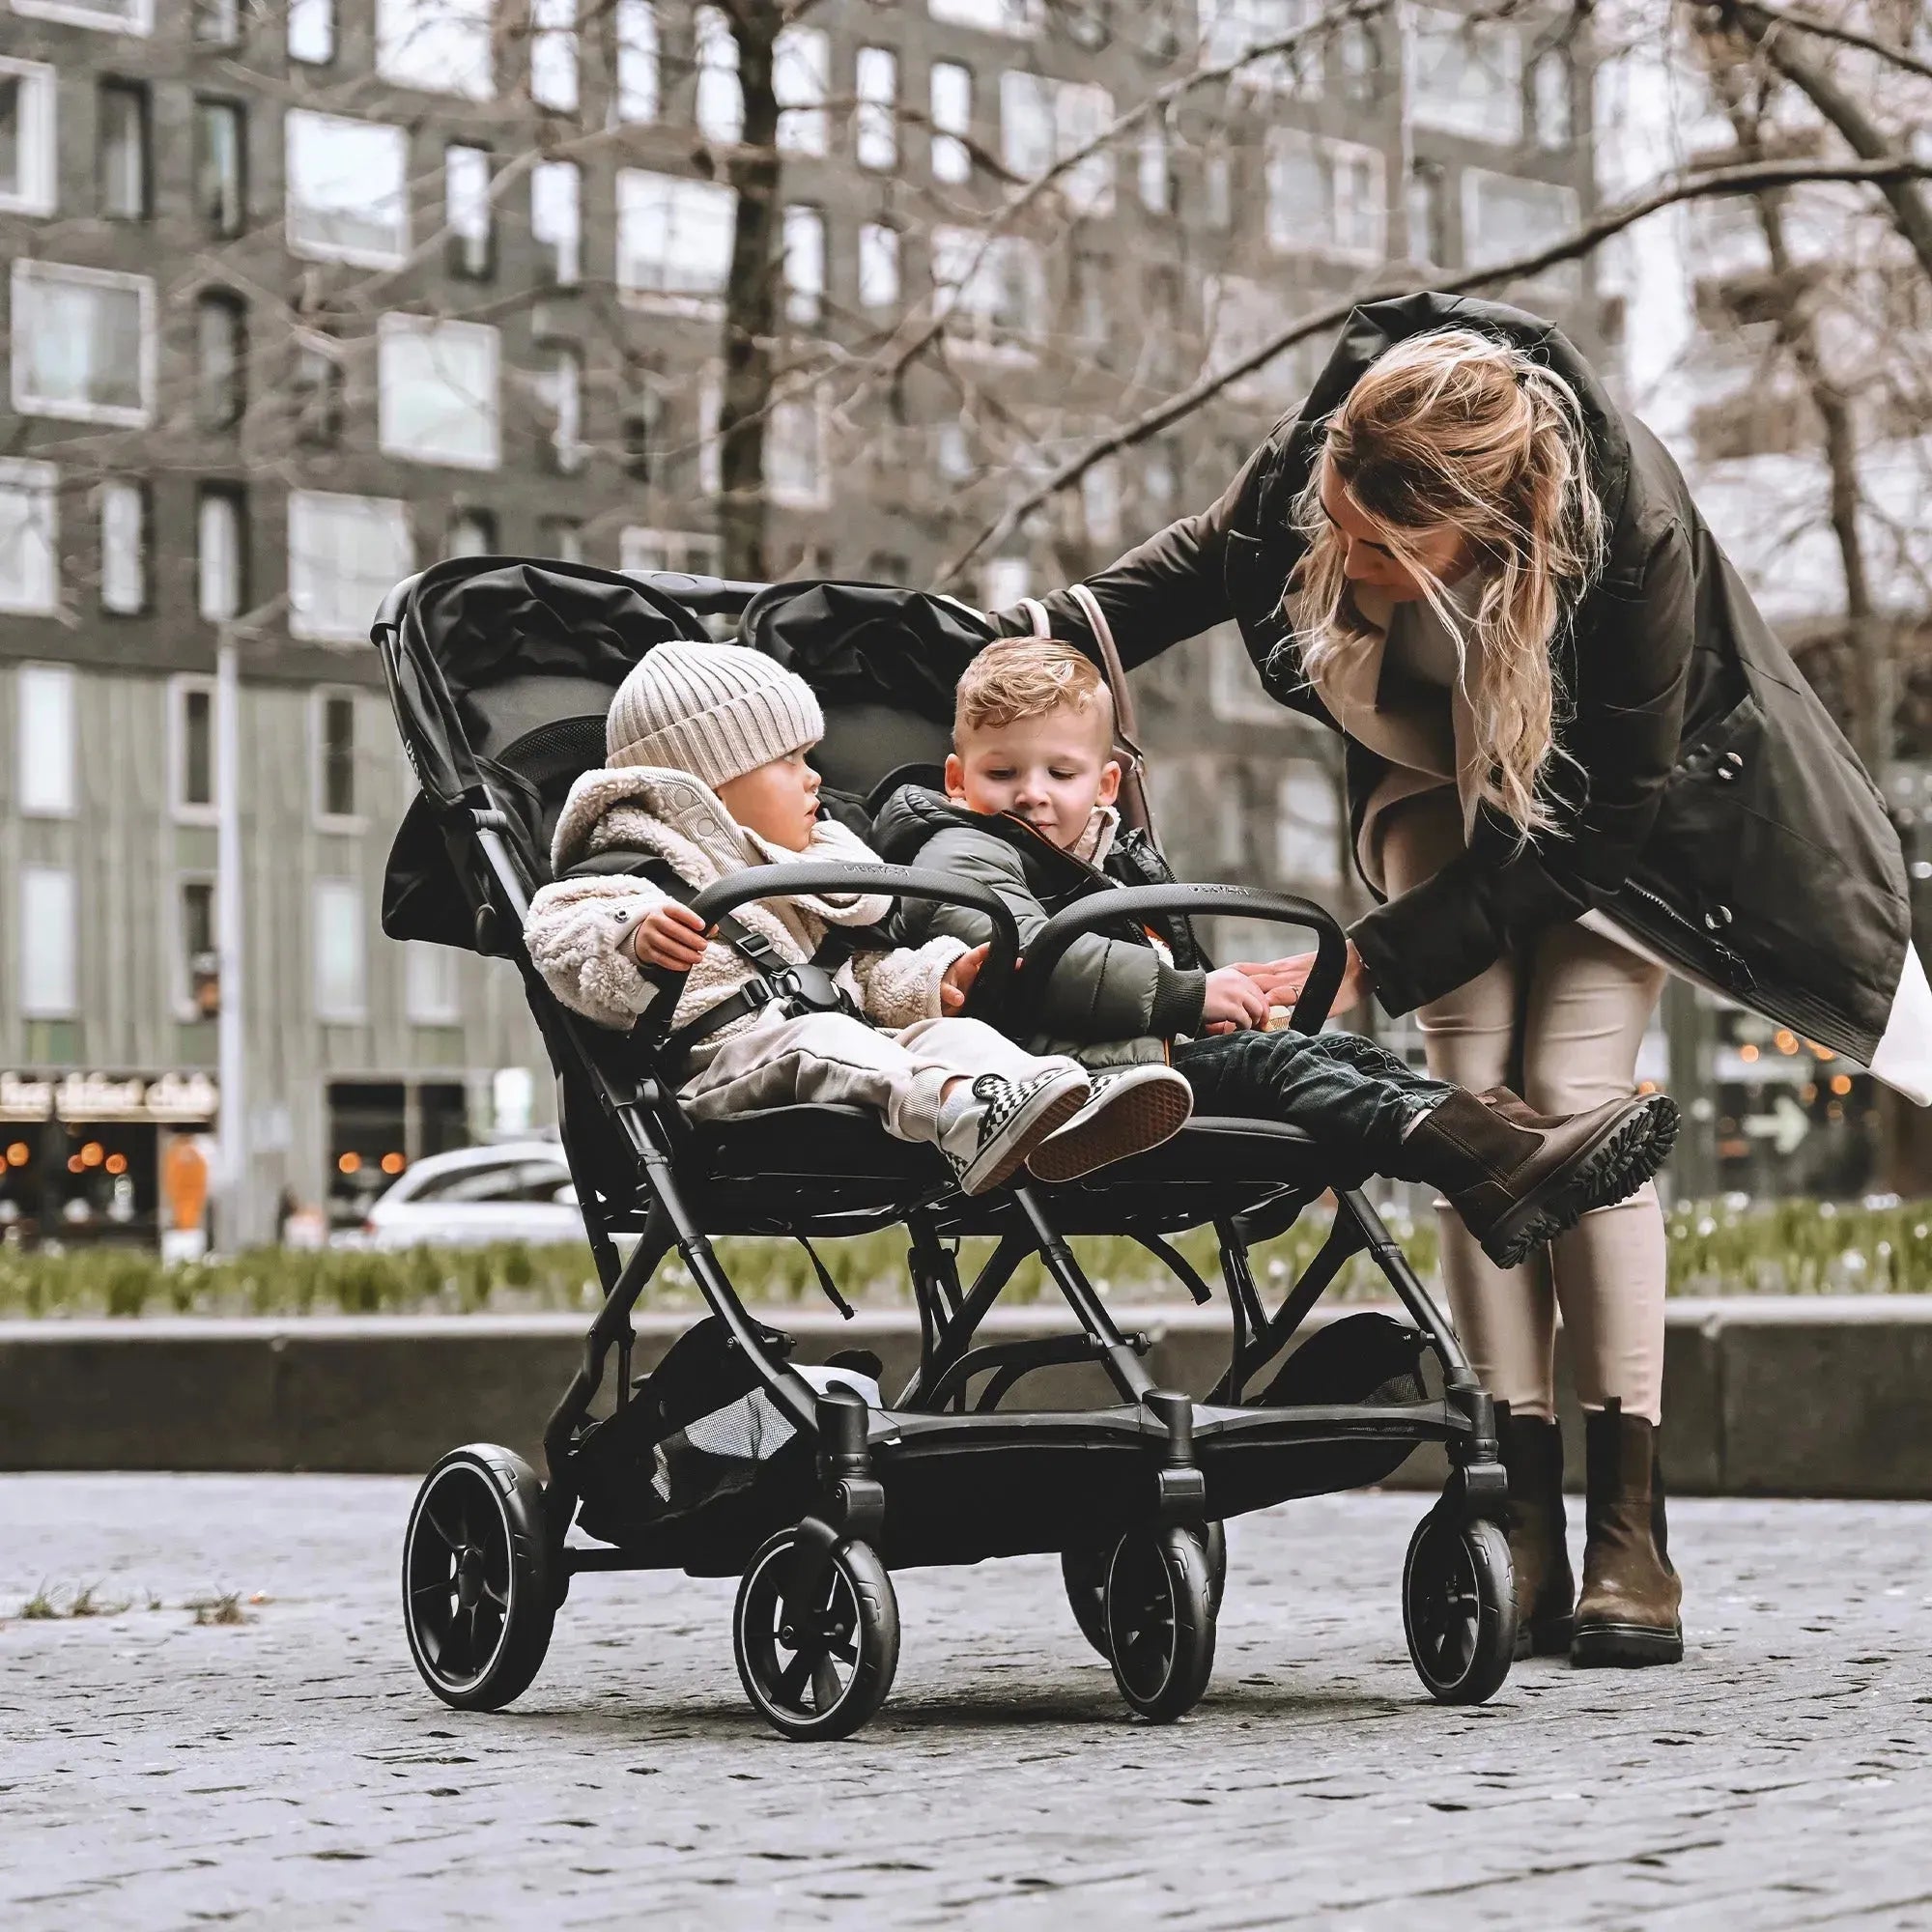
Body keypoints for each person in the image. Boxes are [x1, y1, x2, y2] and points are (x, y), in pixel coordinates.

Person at [998, 293, 1931, 1668]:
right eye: (1344, 530)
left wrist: (1362, 963)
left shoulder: (1630, 541)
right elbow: (1199, 569)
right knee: (1469, 1100)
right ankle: (1514, 1495)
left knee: (1576, 1100)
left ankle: (1629, 1516)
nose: (1355, 567)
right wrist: (1028, 640)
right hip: (1436, 782)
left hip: (1631, 833)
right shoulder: (1332, 460)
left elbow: (1601, 827)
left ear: (1493, 532)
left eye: (1391, 552)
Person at [873, 636, 1678, 1270]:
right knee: (1279, 1067)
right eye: (1002, 771)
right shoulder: (955, 852)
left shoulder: (1109, 857)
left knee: (1331, 1051)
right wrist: (1186, 995)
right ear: (957, 778)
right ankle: (1486, 1158)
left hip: (1134, 1059)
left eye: (1060, 771)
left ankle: (1502, 1143)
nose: (1032, 792)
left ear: (1107, 785)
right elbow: (1019, 959)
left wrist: (1211, 1005)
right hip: (1063, 1089)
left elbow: (1136, 962)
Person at [523, 639, 1187, 1197]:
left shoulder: (798, 878)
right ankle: (965, 1108)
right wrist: (630, 939)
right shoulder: (633, 870)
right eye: (790, 761)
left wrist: (937, 977)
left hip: (836, 1040)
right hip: (712, 1069)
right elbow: (558, 933)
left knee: (937, 1036)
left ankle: (1051, 1112)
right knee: (824, 1041)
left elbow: (856, 974)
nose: (815, 778)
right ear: (708, 781)